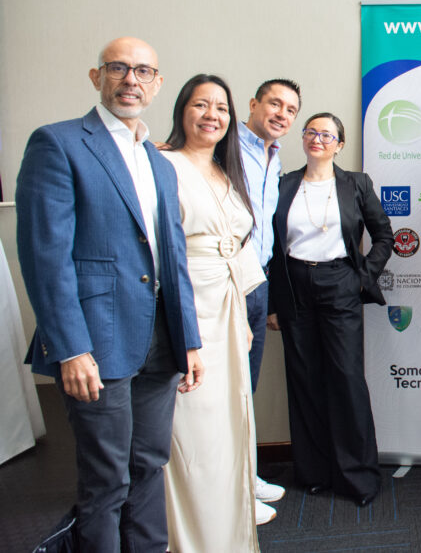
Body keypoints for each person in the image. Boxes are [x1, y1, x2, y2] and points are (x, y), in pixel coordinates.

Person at [16, 37, 204, 551]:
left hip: (160, 342)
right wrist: (71, 348)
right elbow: (45, 257)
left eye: (143, 71)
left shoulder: (160, 163)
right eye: (118, 68)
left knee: (149, 466)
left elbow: (173, 258)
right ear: (96, 77)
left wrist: (188, 339)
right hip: (96, 342)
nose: (131, 80)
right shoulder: (58, 143)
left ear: (157, 84)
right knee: (106, 479)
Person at [160, 74, 270, 549]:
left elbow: (238, 246)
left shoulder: (227, 172)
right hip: (189, 310)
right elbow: (160, 254)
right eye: (201, 105)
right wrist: (183, 333)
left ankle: (228, 532)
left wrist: (242, 318)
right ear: (182, 110)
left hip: (229, 310)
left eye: (221, 108)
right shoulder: (163, 165)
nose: (212, 115)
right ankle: (189, 537)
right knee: (194, 431)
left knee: (231, 423)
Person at [267, 112, 393, 505]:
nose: (317, 139)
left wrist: (362, 277)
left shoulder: (356, 183)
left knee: (346, 378)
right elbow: (269, 247)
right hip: (294, 286)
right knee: (304, 379)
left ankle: (358, 477)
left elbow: (384, 235)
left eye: (326, 134)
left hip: (340, 282)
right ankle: (314, 473)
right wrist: (273, 302)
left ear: (340, 144)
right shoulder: (282, 184)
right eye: (311, 132)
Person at [239, 78, 301, 505]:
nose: (282, 114)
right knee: (220, 390)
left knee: (246, 388)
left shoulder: (272, 158)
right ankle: (229, 487)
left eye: (290, 109)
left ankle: (244, 475)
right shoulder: (224, 146)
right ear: (253, 104)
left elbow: (271, 239)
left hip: (256, 283)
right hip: (225, 284)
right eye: (275, 104)